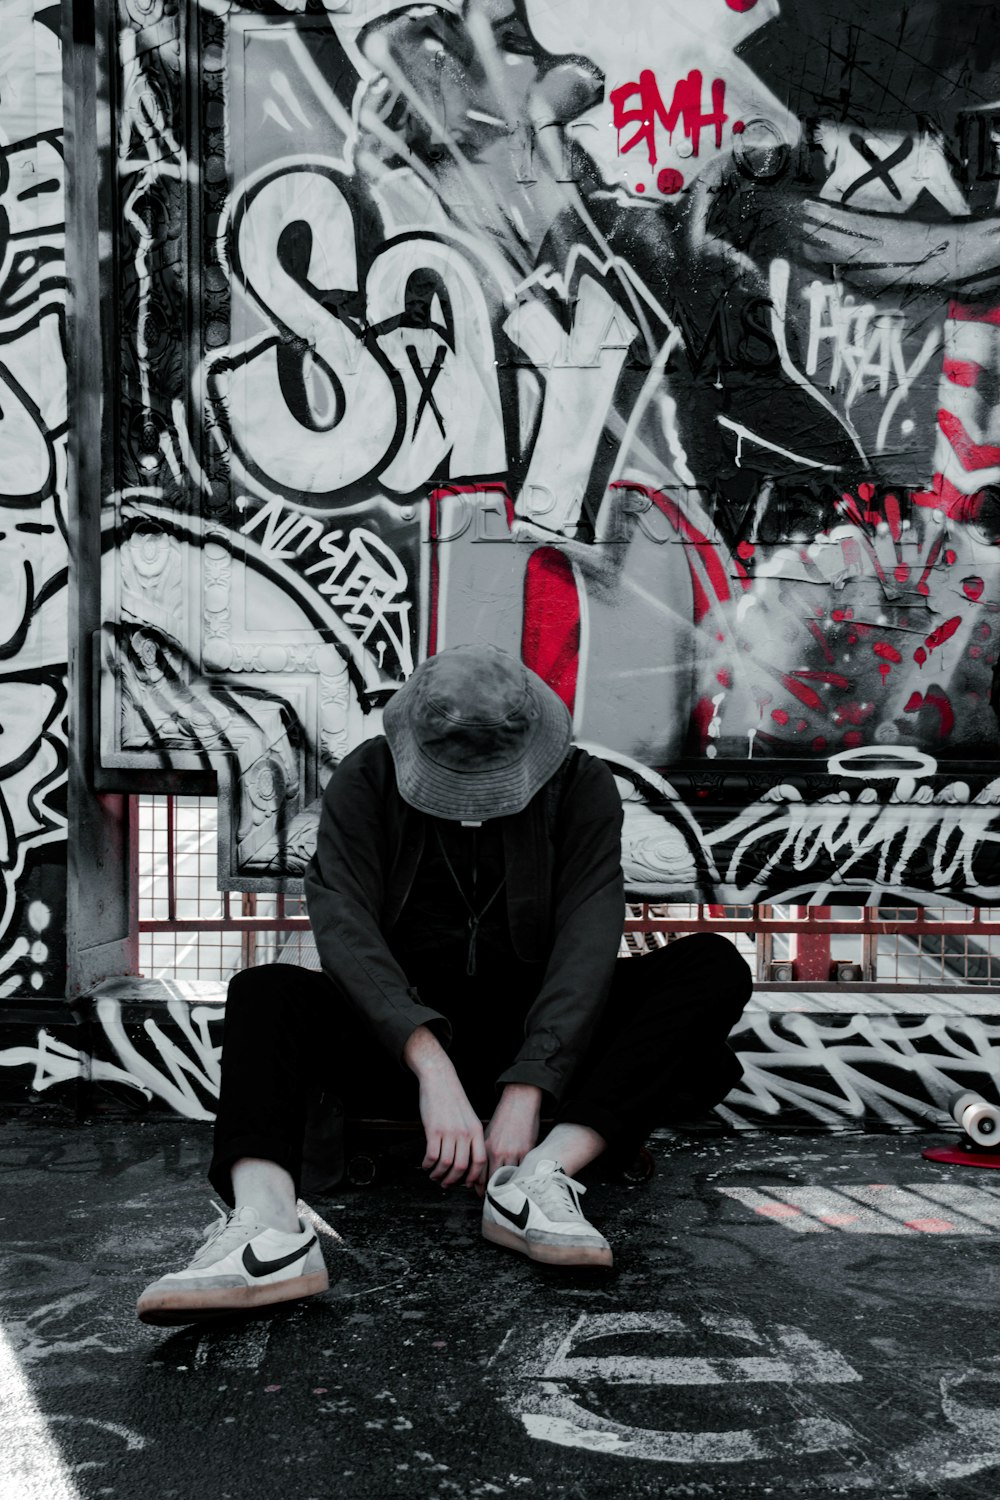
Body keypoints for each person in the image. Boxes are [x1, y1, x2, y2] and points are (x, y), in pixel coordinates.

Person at [136, 646, 752, 1325]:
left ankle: (540, 1178)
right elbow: (345, 933)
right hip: (400, 1050)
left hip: (547, 1051)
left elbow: (587, 946)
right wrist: (428, 1061)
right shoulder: (365, 783)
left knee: (712, 964)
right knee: (264, 992)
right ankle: (269, 1226)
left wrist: (529, 1086)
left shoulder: (581, 789)